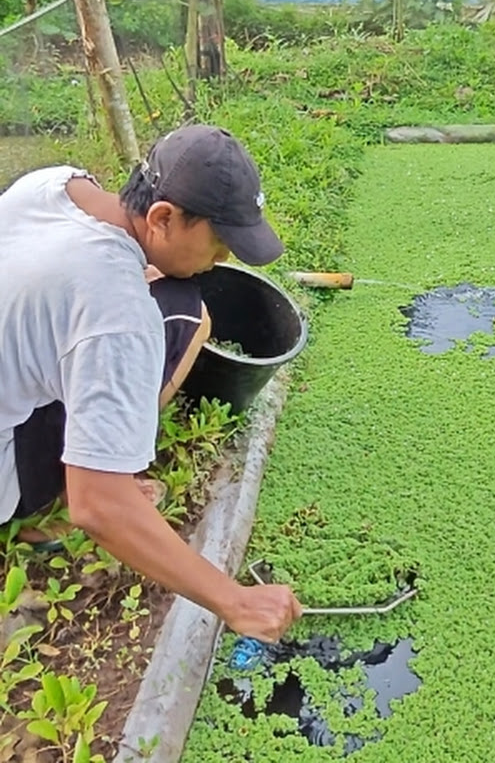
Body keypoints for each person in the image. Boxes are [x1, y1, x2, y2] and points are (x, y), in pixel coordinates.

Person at [0, 124, 302, 643]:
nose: (224, 258)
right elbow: (98, 506)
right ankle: (43, 510)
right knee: (186, 313)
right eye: (220, 242)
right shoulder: (119, 315)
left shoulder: (53, 184)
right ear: (162, 218)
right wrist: (235, 601)